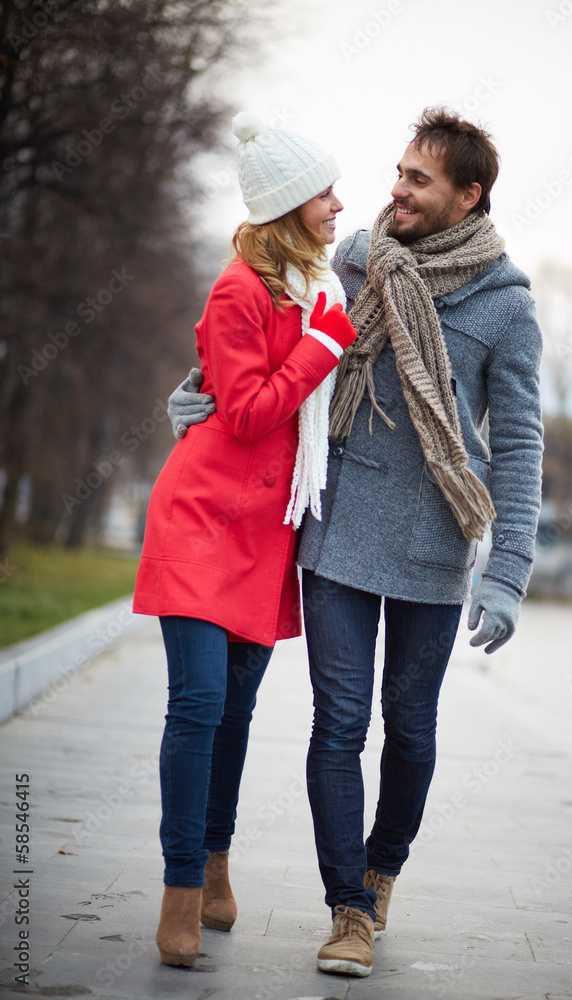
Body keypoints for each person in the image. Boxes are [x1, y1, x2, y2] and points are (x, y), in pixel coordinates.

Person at [168, 105, 543, 978]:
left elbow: (520, 444)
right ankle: (348, 910)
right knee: (336, 723)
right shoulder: (354, 261)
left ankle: (382, 872)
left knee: (409, 728)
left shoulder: (507, 307)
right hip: (335, 532)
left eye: (417, 180)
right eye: (398, 172)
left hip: (432, 549)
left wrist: (508, 572)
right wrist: (198, 396)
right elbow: (271, 348)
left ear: (468, 195)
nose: (394, 192)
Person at [133, 111, 357, 969]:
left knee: (233, 711)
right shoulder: (241, 291)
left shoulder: (319, 287)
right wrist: (320, 349)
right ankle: (180, 891)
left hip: (267, 536)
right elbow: (251, 410)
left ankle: (217, 864)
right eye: (325, 192)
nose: (339, 204)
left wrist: (325, 333)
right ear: (289, 204)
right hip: (200, 521)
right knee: (195, 704)